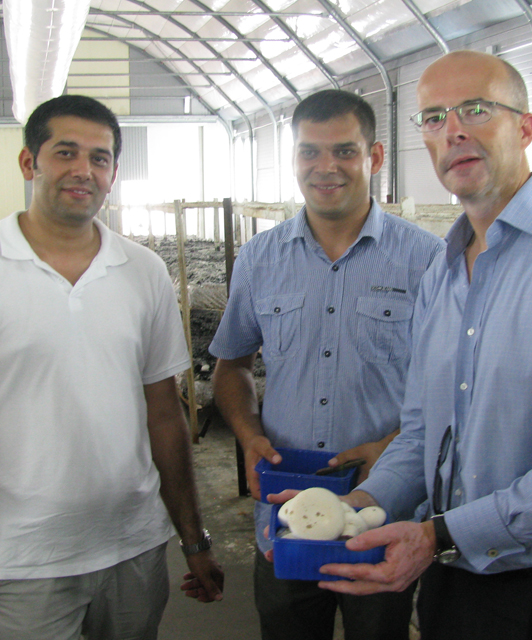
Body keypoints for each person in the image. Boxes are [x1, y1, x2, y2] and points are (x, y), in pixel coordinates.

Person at [318, 50, 532, 640]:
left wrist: (440, 534)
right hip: (459, 576)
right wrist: (359, 506)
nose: (452, 130)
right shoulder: (444, 273)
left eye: (476, 109)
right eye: (432, 117)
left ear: (525, 128)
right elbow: (424, 432)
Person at [0, 94, 224, 640]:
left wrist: (193, 539)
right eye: (66, 153)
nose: (84, 170)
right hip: (23, 558)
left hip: (132, 544)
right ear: (29, 162)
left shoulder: (144, 272)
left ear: (114, 173)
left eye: (100, 158)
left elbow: (165, 417)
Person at [209, 89, 444, 640]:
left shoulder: (427, 260)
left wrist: (393, 448)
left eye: (344, 151)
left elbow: (455, 386)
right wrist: (248, 435)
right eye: (309, 152)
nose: (326, 167)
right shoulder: (260, 258)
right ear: (293, 159)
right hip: (286, 512)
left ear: (375, 157)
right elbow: (231, 366)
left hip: (384, 508)